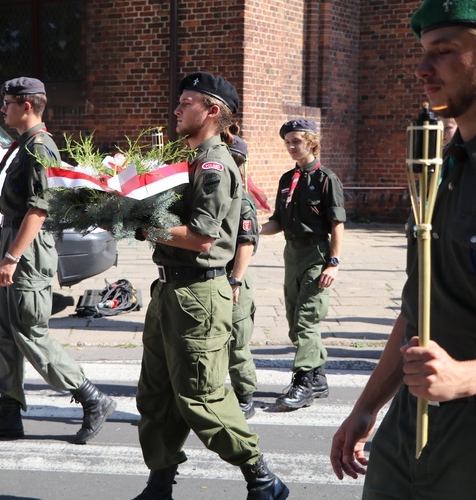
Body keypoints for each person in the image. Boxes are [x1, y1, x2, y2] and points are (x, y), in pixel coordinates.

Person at [330, 1, 476, 498]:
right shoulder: (440, 168)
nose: (422, 68)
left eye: (444, 52)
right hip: (407, 431)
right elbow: (420, 305)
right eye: (423, 51)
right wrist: (368, 404)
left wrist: (464, 377)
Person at [133, 72, 289, 500]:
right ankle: (159, 483)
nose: (177, 109)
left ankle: (262, 478)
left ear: (212, 110)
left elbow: (202, 236)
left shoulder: (214, 164)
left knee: (200, 398)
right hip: (169, 292)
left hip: (198, 296)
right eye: (179, 101)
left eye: (187, 102)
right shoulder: (189, 159)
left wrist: (147, 230)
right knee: (155, 395)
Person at [0, 77, 116, 444]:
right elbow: (20, 202)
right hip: (13, 240)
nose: (2, 108)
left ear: (27, 106)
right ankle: (9, 414)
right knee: (2, 334)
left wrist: (12, 258)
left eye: (7, 102)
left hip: (27, 252)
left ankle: (92, 397)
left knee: (29, 333)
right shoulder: (26, 146)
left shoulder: (40, 147)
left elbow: (40, 208)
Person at [260, 118, 345, 411]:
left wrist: (333, 262)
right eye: (288, 142)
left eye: (296, 141)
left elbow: (337, 223)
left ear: (311, 142)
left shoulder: (325, 179)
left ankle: (304, 382)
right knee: (293, 318)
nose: (291, 146)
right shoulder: (287, 180)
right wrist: (251, 231)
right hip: (292, 254)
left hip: (317, 253)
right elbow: (277, 222)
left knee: (307, 318)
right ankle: (318, 377)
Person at [227, 135, 260, 419]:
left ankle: (245, 395)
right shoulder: (225, 191)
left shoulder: (243, 200)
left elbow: (246, 243)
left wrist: (235, 280)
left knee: (237, 341)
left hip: (234, 278)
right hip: (218, 276)